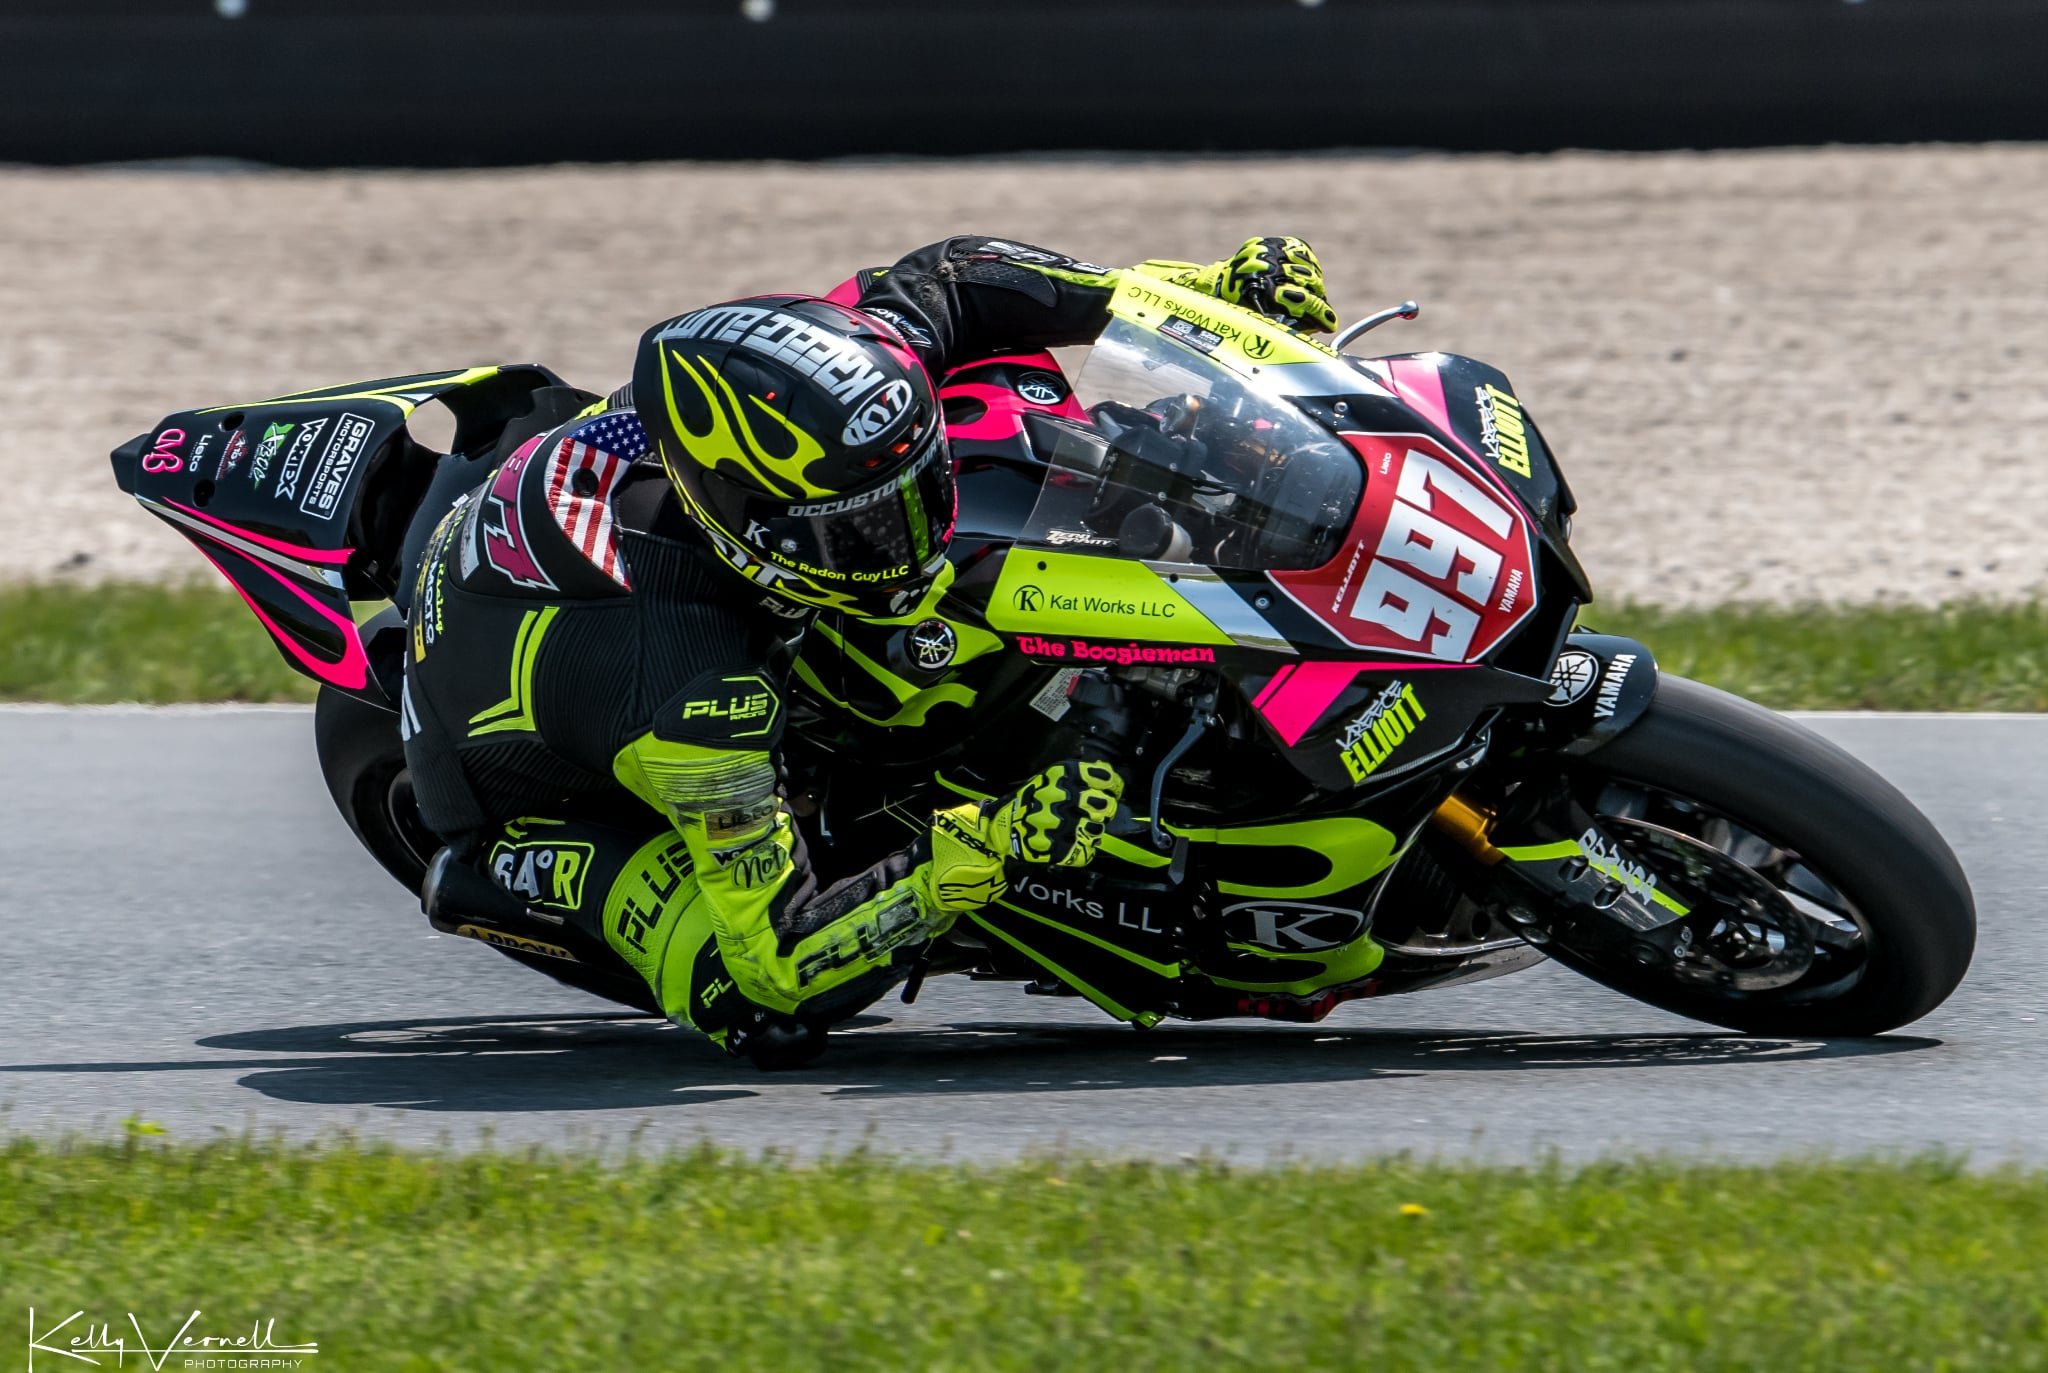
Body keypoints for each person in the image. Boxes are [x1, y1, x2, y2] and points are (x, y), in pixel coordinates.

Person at [397, 235, 1341, 1066]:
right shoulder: (693, 687)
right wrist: (996, 843)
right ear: (754, 524)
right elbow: (781, 957)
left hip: (585, 567)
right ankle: (485, 879)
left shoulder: (847, 376)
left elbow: (957, 274)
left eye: (917, 492)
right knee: (759, 1008)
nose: (918, 536)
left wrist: (1200, 295)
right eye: (867, 531)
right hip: (519, 783)